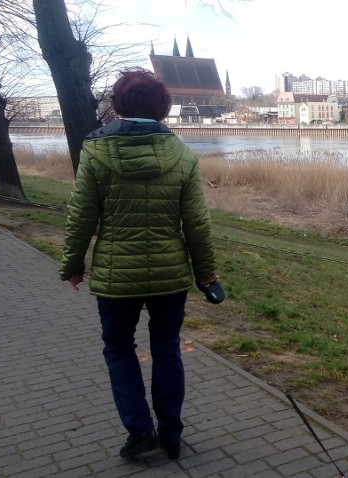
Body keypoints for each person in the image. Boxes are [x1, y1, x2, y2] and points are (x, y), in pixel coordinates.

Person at [58, 68, 218, 460]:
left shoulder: (95, 152)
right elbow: (196, 223)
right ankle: (172, 434)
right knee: (167, 349)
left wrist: (72, 265)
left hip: (116, 276)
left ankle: (140, 431)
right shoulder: (181, 154)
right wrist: (206, 274)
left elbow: (82, 217)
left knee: (118, 349)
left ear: (118, 105)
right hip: (170, 274)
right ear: (163, 108)